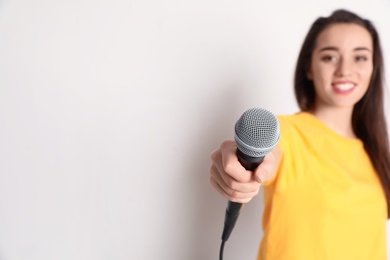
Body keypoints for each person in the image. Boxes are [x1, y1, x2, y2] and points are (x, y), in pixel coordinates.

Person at [209, 9, 390, 260]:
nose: (345, 70)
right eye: (330, 57)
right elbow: (271, 154)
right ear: (309, 67)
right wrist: (243, 162)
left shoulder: (377, 152)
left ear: (373, 68)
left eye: (360, 58)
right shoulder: (285, 133)